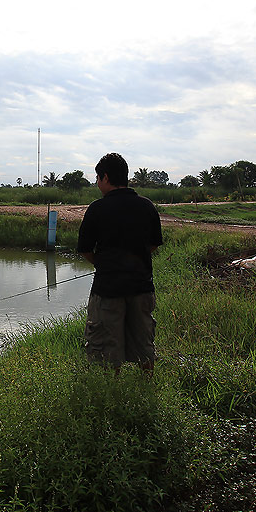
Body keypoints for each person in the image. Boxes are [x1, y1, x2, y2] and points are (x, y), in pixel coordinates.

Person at [76, 153, 163, 371]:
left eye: (97, 178)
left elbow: (85, 250)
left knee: (105, 349)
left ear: (105, 177)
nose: (97, 183)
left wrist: (102, 264)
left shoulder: (97, 209)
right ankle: (146, 389)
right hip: (142, 287)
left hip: (107, 290)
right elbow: (153, 244)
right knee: (145, 346)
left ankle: (111, 394)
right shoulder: (147, 206)